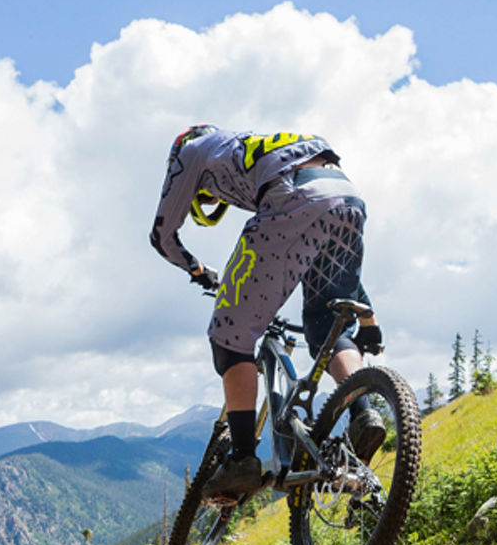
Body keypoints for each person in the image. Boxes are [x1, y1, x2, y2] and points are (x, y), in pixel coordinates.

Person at [150, 124, 385, 498]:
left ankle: (242, 459)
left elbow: (162, 236)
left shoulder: (189, 152)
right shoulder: (251, 145)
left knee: (230, 336)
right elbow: (332, 247)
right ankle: (364, 413)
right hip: (348, 197)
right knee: (328, 323)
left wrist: (199, 271)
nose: (210, 198)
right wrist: (368, 321)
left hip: (293, 195)